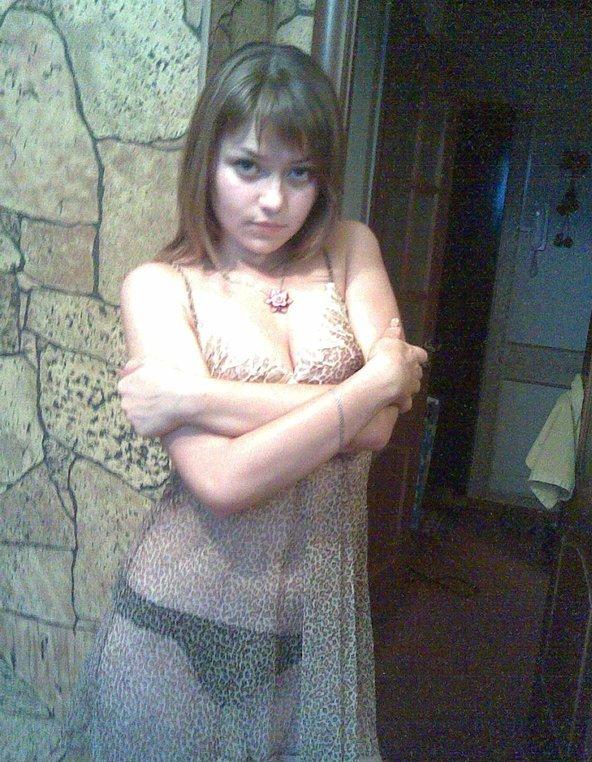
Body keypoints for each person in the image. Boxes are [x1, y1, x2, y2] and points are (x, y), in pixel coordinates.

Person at [58, 42, 427, 761]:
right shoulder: (159, 286)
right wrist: (371, 384)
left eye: (300, 173)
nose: (273, 200)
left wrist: (193, 395)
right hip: (172, 626)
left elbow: (382, 428)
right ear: (207, 163)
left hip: (315, 631)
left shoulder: (349, 249)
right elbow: (224, 482)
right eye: (248, 166)